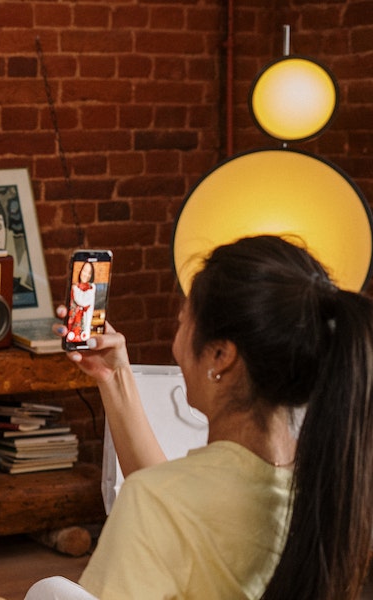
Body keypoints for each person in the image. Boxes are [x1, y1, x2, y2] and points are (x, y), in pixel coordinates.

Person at [27, 235, 373, 600]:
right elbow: (176, 507)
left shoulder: (160, 503)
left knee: (48, 591)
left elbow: (168, 506)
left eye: (182, 323)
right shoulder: (326, 480)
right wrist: (115, 377)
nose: (176, 345)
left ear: (221, 355)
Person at [64, 261, 95, 344]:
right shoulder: (75, 286)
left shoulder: (91, 288)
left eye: (89, 273)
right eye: (84, 271)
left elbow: (82, 301)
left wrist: (75, 288)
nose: (86, 274)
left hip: (82, 328)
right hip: (70, 325)